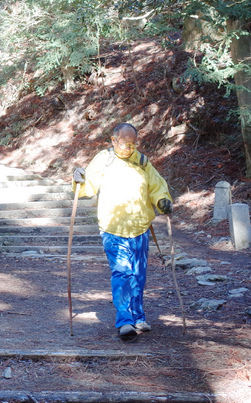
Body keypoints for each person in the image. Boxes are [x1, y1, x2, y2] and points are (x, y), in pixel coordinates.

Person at [73, 123, 173, 342]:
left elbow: (157, 185)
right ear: (113, 140)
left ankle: (138, 316)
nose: (129, 147)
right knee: (121, 272)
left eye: (133, 143)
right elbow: (88, 186)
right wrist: (79, 179)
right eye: (125, 143)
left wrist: (163, 201)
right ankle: (124, 320)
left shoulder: (142, 161)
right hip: (113, 228)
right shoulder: (104, 160)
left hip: (140, 228)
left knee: (139, 275)